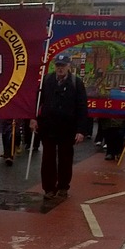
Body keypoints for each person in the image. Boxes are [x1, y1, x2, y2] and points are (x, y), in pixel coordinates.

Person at [30, 53, 88, 198]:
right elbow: (37, 101)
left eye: (63, 65)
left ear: (69, 66)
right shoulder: (46, 80)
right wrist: (33, 119)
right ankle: (49, 188)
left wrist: (81, 130)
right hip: (48, 126)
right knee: (48, 159)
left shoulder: (77, 83)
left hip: (68, 128)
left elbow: (82, 107)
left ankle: (63, 186)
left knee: (65, 158)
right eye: (58, 65)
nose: (60, 68)